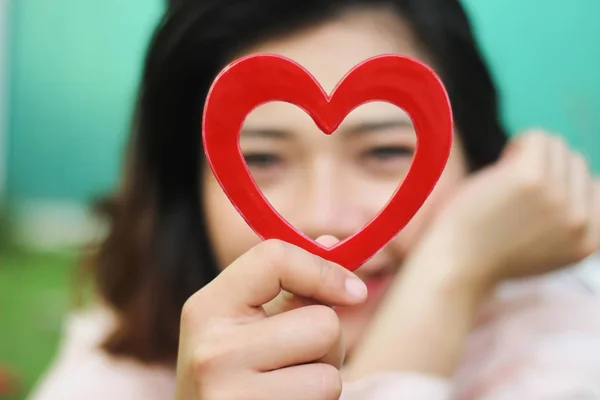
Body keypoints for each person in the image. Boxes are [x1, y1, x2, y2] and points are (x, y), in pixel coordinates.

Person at [31, 0, 600, 398]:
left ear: (478, 161)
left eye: (383, 151)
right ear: (189, 186)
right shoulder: (121, 358)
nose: (324, 222)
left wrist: (450, 273)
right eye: (262, 159)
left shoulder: (568, 348)